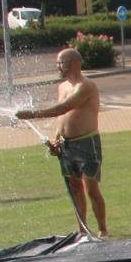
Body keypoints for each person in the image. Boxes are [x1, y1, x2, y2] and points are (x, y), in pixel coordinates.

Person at [16, 47, 108, 238]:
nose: (58, 66)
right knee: (75, 188)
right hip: (67, 145)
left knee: (91, 188)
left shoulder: (85, 86)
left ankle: (102, 228)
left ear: (74, 63)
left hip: (86, 143)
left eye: (61, 62)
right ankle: (82, 229)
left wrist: (33, 115)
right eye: (58, 62)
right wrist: (56, 138)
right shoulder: (62, 87)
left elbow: (64, 107)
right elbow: (62, 118)